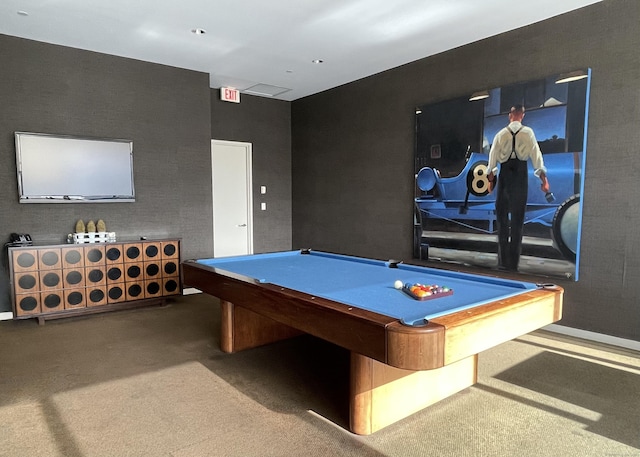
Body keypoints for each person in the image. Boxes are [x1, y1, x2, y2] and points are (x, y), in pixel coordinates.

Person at [487, 104, 550, 271]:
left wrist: (490, 181)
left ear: (510, 115)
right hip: (521, 175)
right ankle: (513, 263)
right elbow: (537, 158)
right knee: (517, 220)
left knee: (501, 219)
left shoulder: (500, 134)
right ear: (522, 115)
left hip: (505, 175)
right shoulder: (528, 133)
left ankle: (502, 262)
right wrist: (544, 180)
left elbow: (492, 159)